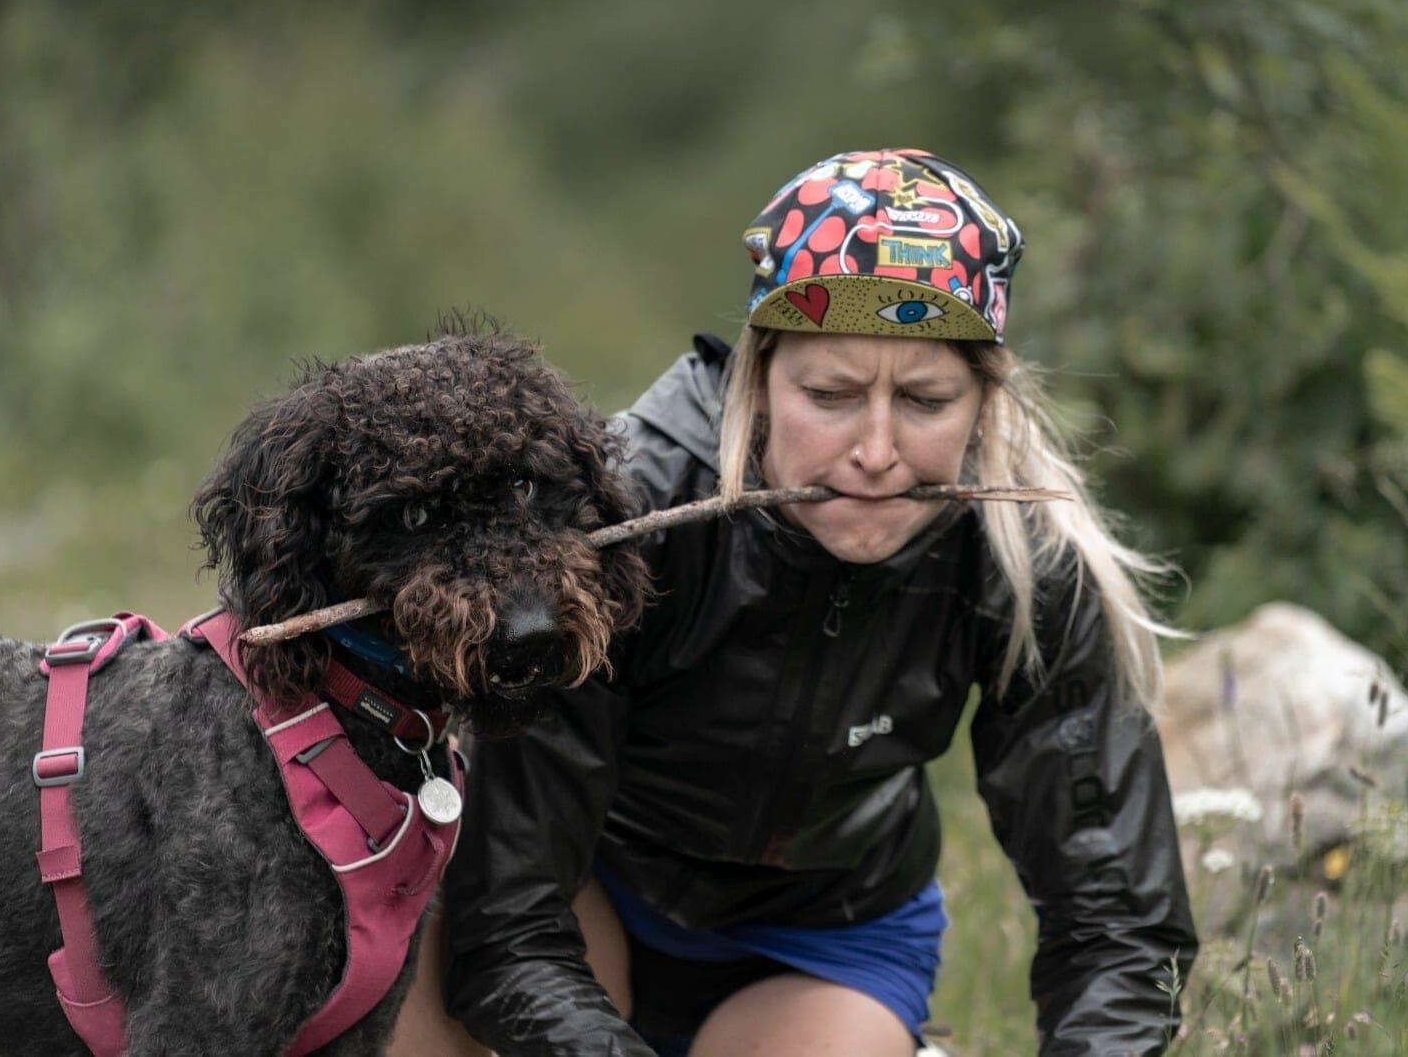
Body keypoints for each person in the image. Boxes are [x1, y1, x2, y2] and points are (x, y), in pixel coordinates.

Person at [390, 148, 1198, 1057]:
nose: (877, 451)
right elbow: (507, 915)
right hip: (585, 896)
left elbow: (1120, 928)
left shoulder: (1024, 566)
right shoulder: (624, 522)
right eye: (832, 395)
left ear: (985, 402)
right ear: (759, 378)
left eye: (927, 400)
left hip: (828, 941)